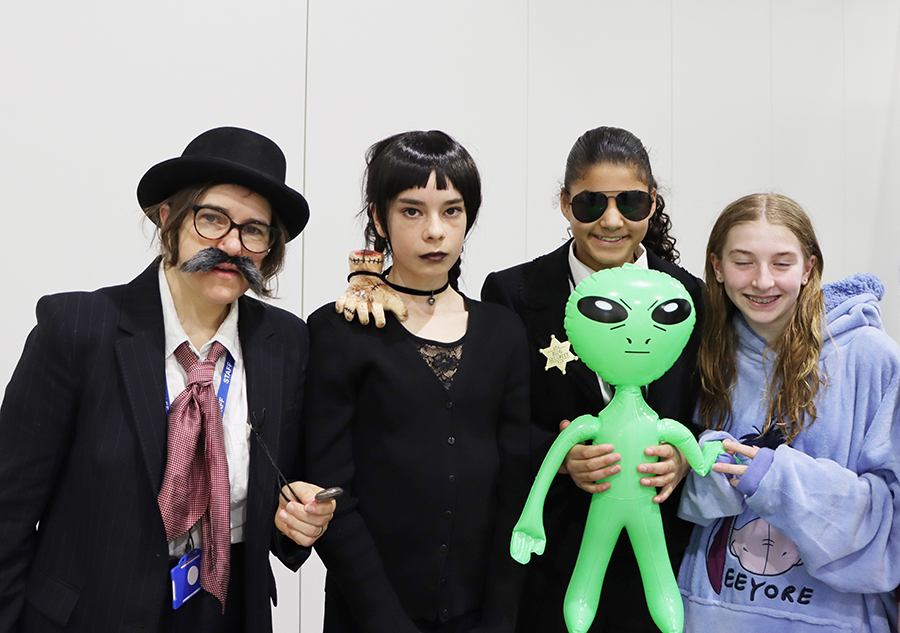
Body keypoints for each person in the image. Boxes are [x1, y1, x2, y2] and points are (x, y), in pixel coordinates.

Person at [0, 126, 335, 633]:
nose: (231, 244)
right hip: (91, 613)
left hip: (226, 611)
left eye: (254, 230)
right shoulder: (77, 329)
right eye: (212, 219)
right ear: (168, 218)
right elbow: (9, 510)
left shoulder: (286, 342)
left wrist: (297, 520)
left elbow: (283, 487)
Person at [305, 130, 531, 632]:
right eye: (412, 211)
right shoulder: (340, 330)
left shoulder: (502, 331)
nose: (435, 231)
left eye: (452, 211)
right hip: (368, 616)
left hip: (481, 615)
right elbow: (330, 490)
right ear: (378, 218)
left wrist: (500, 616)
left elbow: (517, 488)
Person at [481, 126, 704, 632]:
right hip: (553, 555)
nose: (611, 220)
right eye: (590, 203)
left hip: (660, 555)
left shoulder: (690, 296)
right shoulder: (513, 294)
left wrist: (682, 460)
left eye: (631, 202)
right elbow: (487, 417)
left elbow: (711, 407)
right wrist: (556, 456)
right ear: (565, 204)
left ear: (652, 202)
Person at [677, 193, 900, 631]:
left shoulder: (870, 357)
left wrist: (777, 480)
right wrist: (704, 464)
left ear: (808, 268)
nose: (763, 281)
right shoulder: (702, 351)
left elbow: (890, 524)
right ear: (717, 267)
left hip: (832, 620)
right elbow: (680, 500)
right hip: (710, 615)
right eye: (743, 262)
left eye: (782, 263)